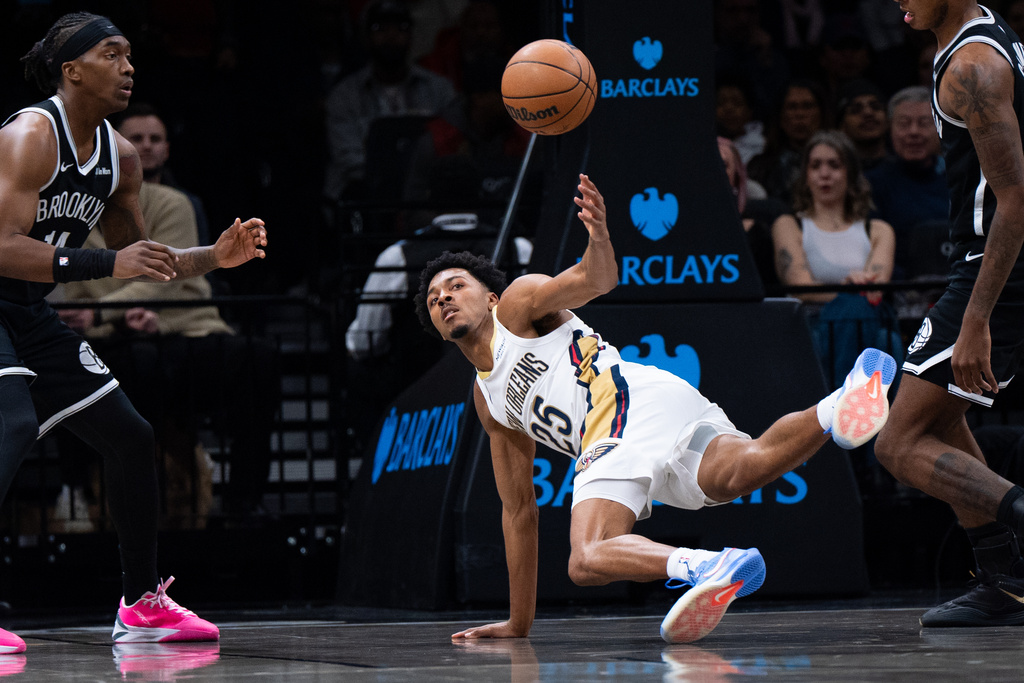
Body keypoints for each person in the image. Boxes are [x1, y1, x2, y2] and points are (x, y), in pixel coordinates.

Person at [415, 173, 896, 643]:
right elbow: (519, 511)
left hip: (616, 406)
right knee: (738, 473)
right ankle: (839, 404)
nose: (445, 298)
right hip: (650, 406)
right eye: (435, 300)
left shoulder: (517, 306)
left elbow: (595, 278)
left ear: (490, 296)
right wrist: (518, 624)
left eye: (456, 286)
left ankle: (705, 566)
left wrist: (598, 237)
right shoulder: (488, 401)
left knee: (587, 556)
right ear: (436, 326)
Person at [0, 12, 268, 651]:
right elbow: (2, 246)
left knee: (130, 436)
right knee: (10, 425)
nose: (128, 67)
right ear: (72, 70)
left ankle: (142, 603)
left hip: (28, 311)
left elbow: (141, 257)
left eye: (128, 55)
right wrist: (103, 264)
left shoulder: (119, 156)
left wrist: (212, 258)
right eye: (112, 54)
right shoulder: (30, 134)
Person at [873, 0, 1024, 628]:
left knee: (897, 443)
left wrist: (976, 319)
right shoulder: (975, 34)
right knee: (939, 419)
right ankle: (1007, 582)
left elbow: (1015, 198)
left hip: (1000, 265)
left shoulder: (971, 67)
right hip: (988, 260)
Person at [58, 181, 280, 523]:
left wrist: (109, 312)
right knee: (130, 364)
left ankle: (243, 503)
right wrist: (118, 318)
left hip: (183, 329)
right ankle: (95, 495)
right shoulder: (67, 211)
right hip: (110, 341)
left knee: (257, 358)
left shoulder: (173, 203)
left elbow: (168, 271)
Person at [771, 130, 899, 386]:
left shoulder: (878, 230)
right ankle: (853, 399)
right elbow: (800, 287)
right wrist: (850, 289)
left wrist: (853, 294)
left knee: (865, 319)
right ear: (805, 175)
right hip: (812, 323)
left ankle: (839, 401)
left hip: (865, 321)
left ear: (850, 174)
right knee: (854, 312)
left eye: (834, 165)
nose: (824, 173)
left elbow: (876, 290)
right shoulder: (789, 225)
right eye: (815, 165)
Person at [323, 0, 456, 204]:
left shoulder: (439, 89)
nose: (391, 35)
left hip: (426, 192)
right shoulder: (344, 95)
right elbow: (347, 159)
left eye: (400, 28)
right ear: (366, 37)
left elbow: (453, 143)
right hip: (365, 195)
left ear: (411, 35)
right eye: (380, 28)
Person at [865, 85, 951, 281]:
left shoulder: (960, 180)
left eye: (924, 123)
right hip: (899, 288)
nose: (914, 132)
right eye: (904, 124)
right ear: (890, 129)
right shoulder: (872, 184)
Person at [114, 103, 212, 246]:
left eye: (155, 139)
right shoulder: (97, 196)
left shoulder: (189, 203)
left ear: (167, 150)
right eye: (137, 138)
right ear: (116, 147)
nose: (147, 146)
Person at [747, 79, 830, 207]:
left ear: (821, 113)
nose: (800, 114)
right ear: (780, 116)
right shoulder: (759, 168)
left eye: (807, 106)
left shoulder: (840, 164)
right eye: (792, 107)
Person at [836, 78, 890, 172]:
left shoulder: (906, 168)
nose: (868, 113)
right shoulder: (834, 172)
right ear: (842, 126)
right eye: (856, 110)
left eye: (876, 107)